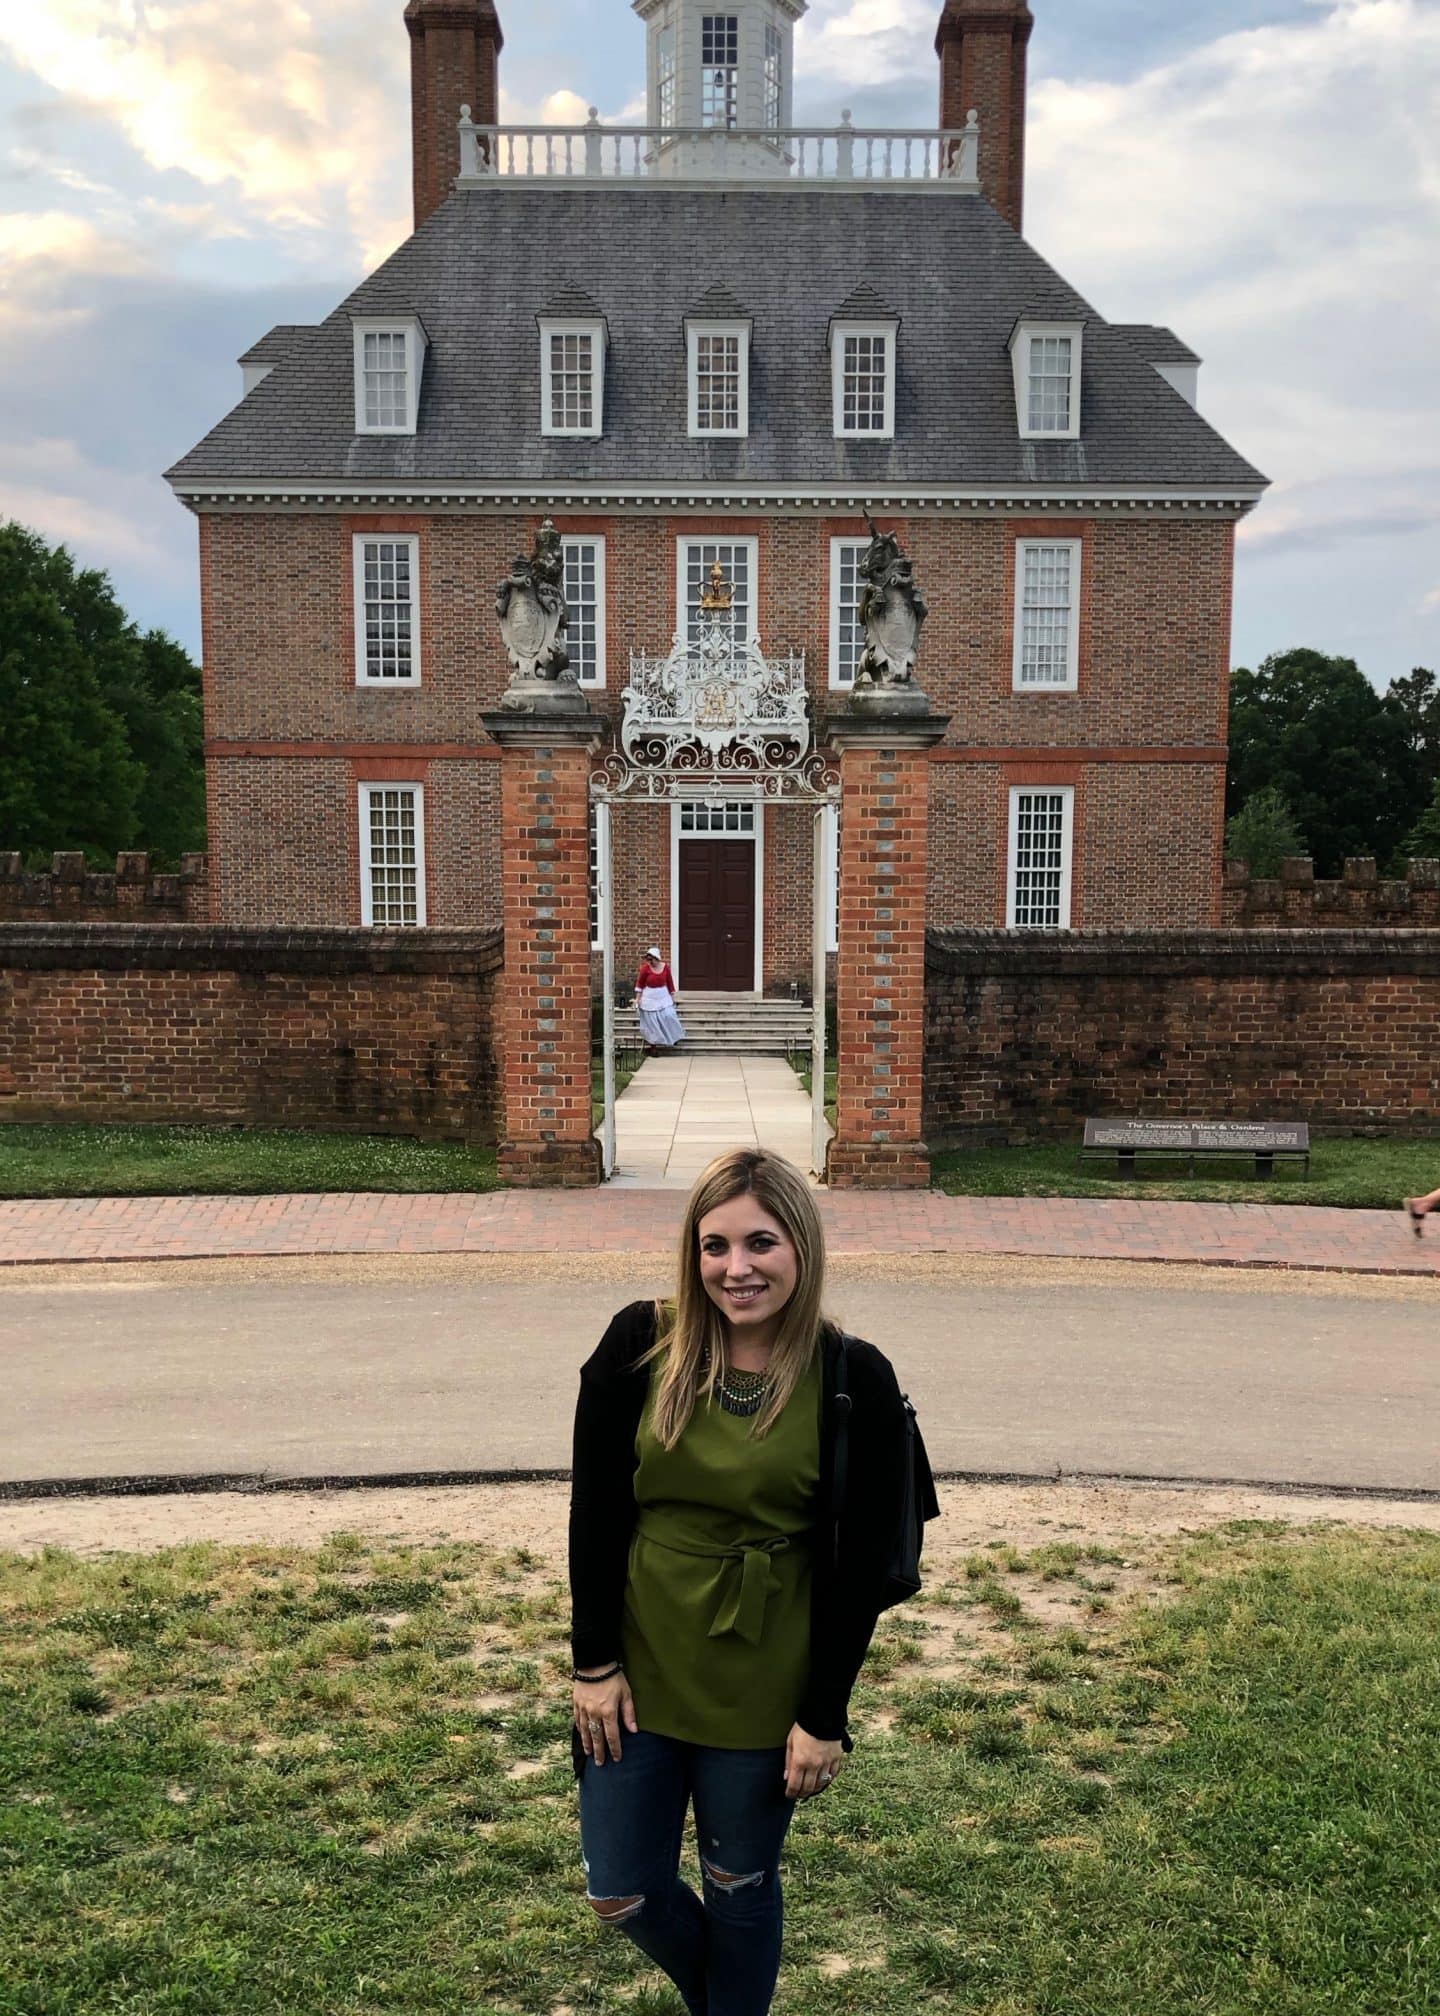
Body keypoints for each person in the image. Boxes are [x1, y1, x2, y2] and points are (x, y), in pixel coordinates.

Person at [567, 1148, 912, 2016]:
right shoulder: (640, 1342)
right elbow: (596, 1510)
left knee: (739, 1881)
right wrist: (594, 1662)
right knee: (621, 1886)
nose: (736, 1269)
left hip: (767, 1673)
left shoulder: (850, 1376)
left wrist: (823, 1716)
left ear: (801, 1245)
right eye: (714, 1246)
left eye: (761, 1243)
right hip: (642, 1664)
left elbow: (865, 1567)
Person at [635, 944, 685, 1054]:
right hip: (649, 998)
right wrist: (637, 1000)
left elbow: (670, 982)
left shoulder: (665, 967)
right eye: (649, 960)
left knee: (669, 1015)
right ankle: (653, 1046)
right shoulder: (645, 969)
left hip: (663, 997)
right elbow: (640, 984)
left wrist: (673, 997)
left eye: (652, 959)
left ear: (657, 958)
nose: (650, 962)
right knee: (652, 1023)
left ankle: (673, 1037)